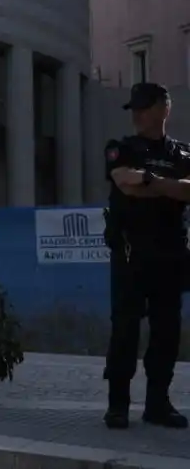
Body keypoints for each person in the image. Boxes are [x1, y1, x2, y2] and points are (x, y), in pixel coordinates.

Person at [102, 82, 190, 430]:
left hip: (171, 254)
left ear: (164, 109)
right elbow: (124, 183)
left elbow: (189, 191)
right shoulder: (122, 149)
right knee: (125, 330)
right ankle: (117, 406)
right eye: (134, 108)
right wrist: (168, 186)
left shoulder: (182, 153)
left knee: (166, 332)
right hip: (131, 253)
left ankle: (157, 404)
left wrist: (149, 181)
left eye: (144, 106)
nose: (137, 114)